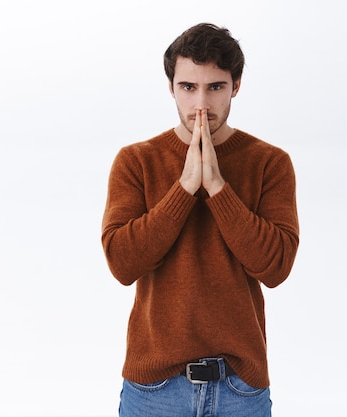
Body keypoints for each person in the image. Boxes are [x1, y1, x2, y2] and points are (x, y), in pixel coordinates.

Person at [101, 23, 299, 417]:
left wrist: (219, 189)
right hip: (154, 388)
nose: (201, 105)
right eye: (188, 87)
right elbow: (123, 264)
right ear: (171, 87)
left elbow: (275, 268)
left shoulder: (270, 163)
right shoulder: (136, 161)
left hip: (240, 388)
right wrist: (185, 188)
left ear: (236, 86)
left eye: (216, 87)